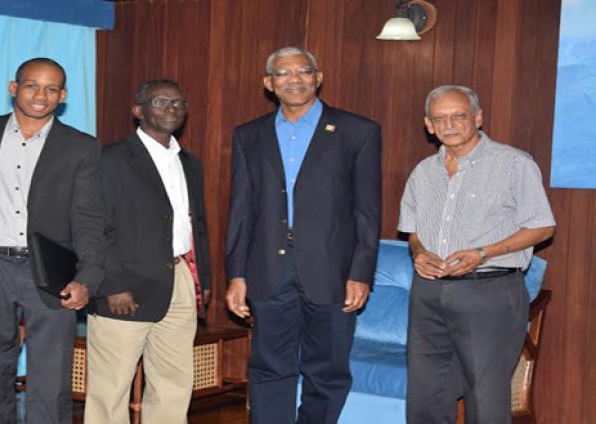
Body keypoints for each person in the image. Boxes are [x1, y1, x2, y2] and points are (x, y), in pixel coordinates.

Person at [225, 46, 382, 423]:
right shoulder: (249, 135)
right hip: (268, 269)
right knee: (267, 367)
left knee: (327, 371)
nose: (294, 79)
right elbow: (241, 210)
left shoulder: (358, 131)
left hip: (332, 271)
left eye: (303, 71)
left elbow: (367, 211)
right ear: (269, 83)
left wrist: (360, 272)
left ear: (318, 77)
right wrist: (237, 274)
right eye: (283, 73)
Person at [0, 57, 104, 423]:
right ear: (13, 88)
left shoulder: (81, 147)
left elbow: (90, 219)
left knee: (51, 378)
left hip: (51, 272)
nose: (41, 95)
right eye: (32, 85)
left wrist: (87, 278)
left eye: (51, 88)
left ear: (63, 95)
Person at [398, 85, 556, 423]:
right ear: (428, 124)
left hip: (490, 291)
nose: (450, 124)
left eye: (459, 116)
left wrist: (484, 253)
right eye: (440, 118)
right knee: (426, 394)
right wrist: (419, 252)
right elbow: (413, 231)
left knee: (485, 397)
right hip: (428, 292)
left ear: (478, 118)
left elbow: (543, 227)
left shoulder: (514, 163)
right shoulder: (423, 172)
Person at [84, 79, 211, 424]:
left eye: (178, 104)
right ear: (137, 110)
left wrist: (204, 280)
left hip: (180, 279)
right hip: (124, 287)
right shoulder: (108, 160)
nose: (171, 109)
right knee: (110, 389)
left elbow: (195, 226)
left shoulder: (189, 163)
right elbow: (91, 229)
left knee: (174, 382)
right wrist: (112, 284)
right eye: (160, 102)